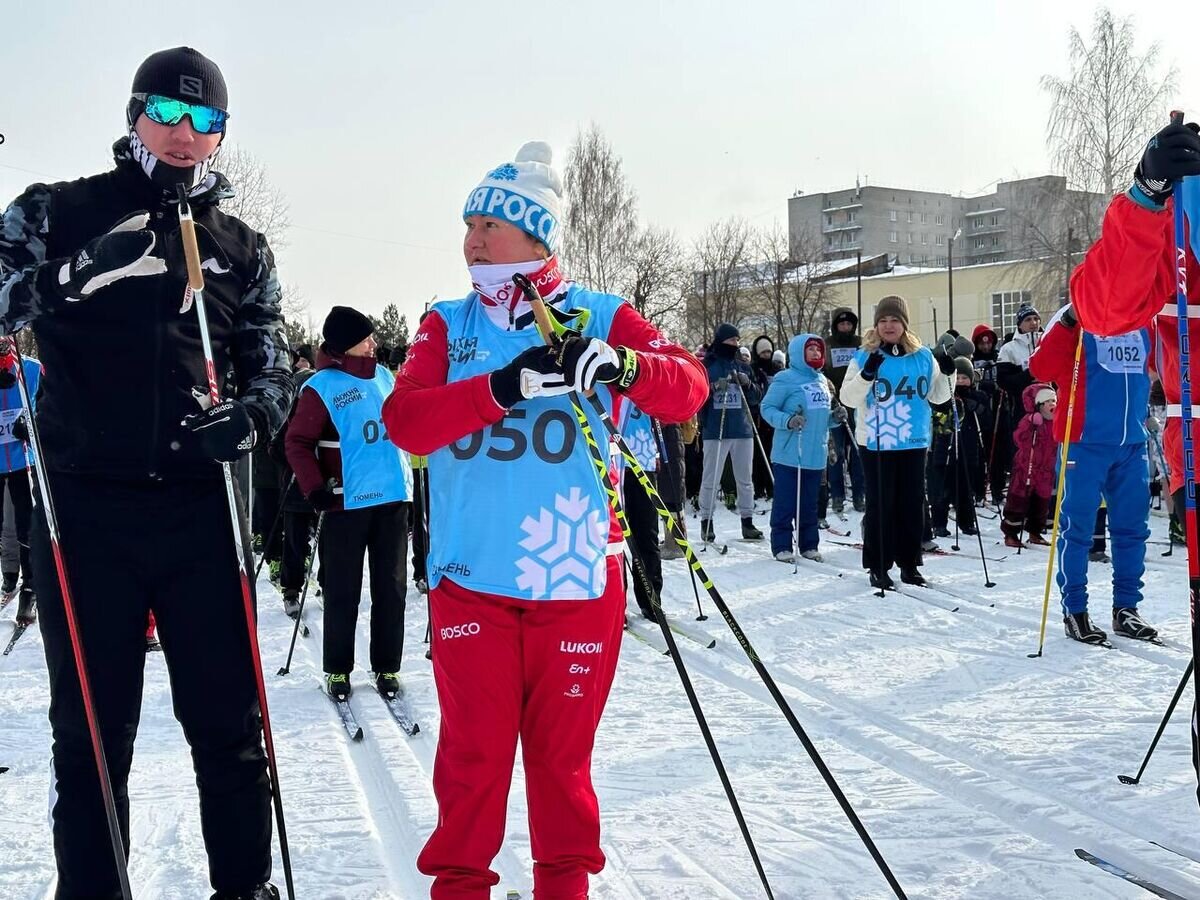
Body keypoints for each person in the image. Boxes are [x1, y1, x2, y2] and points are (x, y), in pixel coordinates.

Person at [0, 47, 292, 900]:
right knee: (92, 731)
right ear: (134, 116)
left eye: (206, 122)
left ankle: (245, 888)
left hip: (203, 512)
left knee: (229, 727)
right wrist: (69, 279)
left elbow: (270, 361)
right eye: (166, 113)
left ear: (220, 138)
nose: (183, 134)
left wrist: (257, 413)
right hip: (87, 514)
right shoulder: (59, 209)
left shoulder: (243, 245)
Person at [381, 141, 707, 899]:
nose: (470, 240)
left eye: (487, 225)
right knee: (472, 770)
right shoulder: (446, 322)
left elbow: (687, 386)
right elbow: (406, 422)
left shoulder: (598, 312)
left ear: (534, 236)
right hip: (472, 582)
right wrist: (499, 387)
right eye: (466, 225)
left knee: (562, 775)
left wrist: (624, 367)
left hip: (577, 581)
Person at [285, 306, 413, 699]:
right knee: (342, 590)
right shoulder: (321, 385)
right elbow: (296, 442)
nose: (373, 342)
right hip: (346, 502)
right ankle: (338, 669)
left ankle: (386, 667)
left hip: (392, 496)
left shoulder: (384, 375)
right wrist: (315, 488)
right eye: (365, 337)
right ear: (345, 345)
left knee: (391, 590)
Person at [1029, 306, 1156, 644]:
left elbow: (1157, 367)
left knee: (1132, 531)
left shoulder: (1142, 319)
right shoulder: (1074, 317)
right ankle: (1075, 609)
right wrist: (1069, 322)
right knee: (1078, 530)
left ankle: (1126, 608)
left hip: (1130, 442)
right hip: (1085, 443)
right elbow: (1041, 368)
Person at [839, 298, 953, 588]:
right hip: (877, 442)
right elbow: (847, 399)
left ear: (904, 324)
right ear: (876, 325)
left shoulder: (923, 356)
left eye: (894, 320)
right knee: (881, 504)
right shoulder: (864, 355)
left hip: (913, 441)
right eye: (883, 321)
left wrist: (949, 371)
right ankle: (878, 565)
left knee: (912, 504)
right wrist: (866, 374)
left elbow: (939, 397)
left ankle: (909, 563)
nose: (889, 326)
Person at [760, 333, 838, 563]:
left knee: (809, 504)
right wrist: (787, 420)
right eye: (810, 349)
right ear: (798, 353)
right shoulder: (786, 378)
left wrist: (835, 418)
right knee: (786, 502)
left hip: (815, 454)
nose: (815, 353)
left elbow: (821, 417)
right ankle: (782, 545)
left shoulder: (822, 381)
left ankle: (809, 544)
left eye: (818, 350)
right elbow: (767, 407)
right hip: (789, 454)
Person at [698, 323, 762, 542]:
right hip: (716, 429)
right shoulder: (708, 365)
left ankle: (747, 521)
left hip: (742, 428)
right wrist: (714, 387)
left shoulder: (741, 365)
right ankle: (707, 522)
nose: (735, 344)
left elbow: (756, 398)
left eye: (737, 340)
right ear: (721, 341)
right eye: (731, 340)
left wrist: (748, 385)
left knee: (745, 479)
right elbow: (697, 396)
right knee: (711, 479)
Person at [0, 338, 41, 625]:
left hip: (22, 461)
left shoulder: (31, 369)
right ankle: (9, 575)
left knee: (26, 524)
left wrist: (32, 421)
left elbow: (52, 405)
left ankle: (30, 587)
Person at [929, 358, 989, 538]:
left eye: (965, 377)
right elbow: (936, 418)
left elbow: (987, 421)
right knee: (943, 490)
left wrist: (976, 407)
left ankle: (967, 522)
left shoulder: (978, 396)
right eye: (959, 377)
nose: (961, 381)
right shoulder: (945, 396)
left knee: (965, 489)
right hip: (945, 449)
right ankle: (939, 523)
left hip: (968, 449)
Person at [1000, 384, 1057, 548]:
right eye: (1047, 402)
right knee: (1020, 499)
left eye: (1054, 400)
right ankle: (1011, 532)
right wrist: (1031, 425)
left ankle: (1035, 531)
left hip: (1046, 470)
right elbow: (1018, 438)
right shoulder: (1030, 421)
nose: (1052, 405)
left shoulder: (1055, 422)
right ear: (1039, 405)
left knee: (1041, 502)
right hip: (1027, 467)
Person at [994, 306, 1041, 502]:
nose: (1033, 323)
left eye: (1036, 319)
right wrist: (1030, 373)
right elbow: (1004, 381)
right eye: (1028, 319)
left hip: (1050, 408)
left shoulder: (1047, 342)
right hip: (1021, 410)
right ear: (1020, 324)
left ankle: (1045, 501)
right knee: (1022, 456)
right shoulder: (1009, 348)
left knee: (1046, 455)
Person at [823, 307, 865, 513]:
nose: (846, 327)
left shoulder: (861, 344)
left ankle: (859, 495)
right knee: (836, 454)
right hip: (835, 405)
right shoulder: (827, 345)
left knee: (858, 453)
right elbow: (821, 371)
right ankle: (837, 495)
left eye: (849, 324)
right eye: (842, 324)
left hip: (857, 405)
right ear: (835, 326)